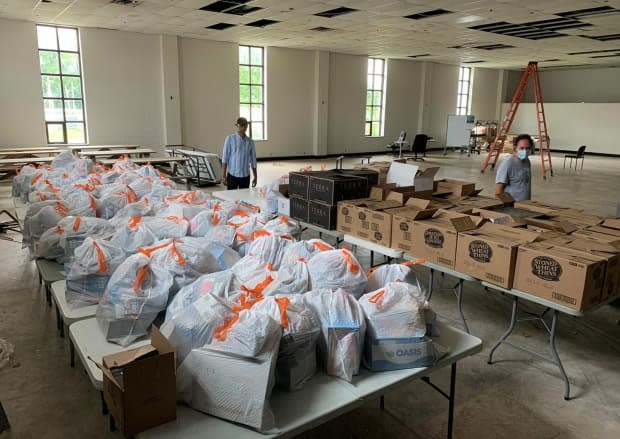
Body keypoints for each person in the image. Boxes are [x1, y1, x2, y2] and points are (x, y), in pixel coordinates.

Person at [221, 117, 257, 190]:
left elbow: (253, 161)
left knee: (244, 199)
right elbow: (225, 158)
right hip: (232, 175)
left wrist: (255, 176)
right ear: (237, 125)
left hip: (245, 176)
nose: (243, 128)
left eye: (245, 125)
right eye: (241, 125)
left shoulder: (250, 142)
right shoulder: (230, 139)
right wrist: (224, 176)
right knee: (231, 198)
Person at [495, 134, 533, 201]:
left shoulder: (527, 161)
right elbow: (498, 189)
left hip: (525, 205)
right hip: (511, 207)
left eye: (527, 148)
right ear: (515, 148)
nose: (525, 151)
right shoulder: (508, 163)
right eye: (522, 148)